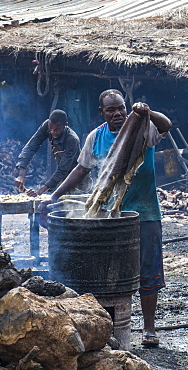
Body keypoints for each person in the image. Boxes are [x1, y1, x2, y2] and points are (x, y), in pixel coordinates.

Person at [45, 89, 172, 348]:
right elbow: (82, 169)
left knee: (148, 271)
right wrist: (55, 194)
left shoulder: (142, 127)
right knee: (107, 272)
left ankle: (149, 328)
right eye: (111, 109)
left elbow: (166, 125)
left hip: (145, 211)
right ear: (101, 112)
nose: (118, 113)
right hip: (109, 214)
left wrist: (147, 111)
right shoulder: (96, 137)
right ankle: (104, 326)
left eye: (121, 108)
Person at [14, 109, 81, 197]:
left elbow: (62, 170)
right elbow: (31, 146)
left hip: (78, 177)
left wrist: (39, 192)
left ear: (65, 125)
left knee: (73, 205)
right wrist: (21, 174)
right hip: (62, 177)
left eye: (57, 129)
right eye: (51, 129)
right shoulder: (47, 125)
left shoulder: (72, 140)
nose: (53, 132)